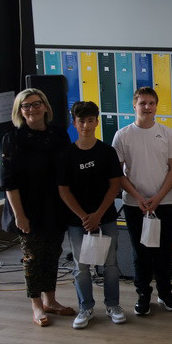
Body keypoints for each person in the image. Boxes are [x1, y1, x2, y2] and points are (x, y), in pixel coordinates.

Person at [1, 88, 73, 326]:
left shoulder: (58, 134)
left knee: (53, 253)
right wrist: (19, 215)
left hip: (55, 205)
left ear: (45, 106)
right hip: (27, 207)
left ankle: (50, 300)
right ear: (20, 111)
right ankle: (36, 305)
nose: (32, 109)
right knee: (33, 257)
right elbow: (9, 182)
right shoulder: (13, 138)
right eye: (26, 106)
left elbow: (66, 170)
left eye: (36, 103)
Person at [112, 86, 172, 317]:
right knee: (140, 253)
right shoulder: (122, 135)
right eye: (142, 103)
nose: (147, 107)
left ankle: (165, 293)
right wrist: (139, 197)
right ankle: (143, 295)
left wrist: (158, 197)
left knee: (163, 252)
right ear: (134, 106)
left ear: (156, 106)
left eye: (151, 103)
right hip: (135, 205)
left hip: (165, 202)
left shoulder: (167, 134)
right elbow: (118, 173)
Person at [58, 101, 125, 329]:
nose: (85, 126)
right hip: (78, 222)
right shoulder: (67, 154)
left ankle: (113, 305)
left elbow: (114, 185)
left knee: (111, 264)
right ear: (74, 123)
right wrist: (84, 216)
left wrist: (98, 214)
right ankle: (85, 307)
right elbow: (63, 190)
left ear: (97, 122)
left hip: (105, 218)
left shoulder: (107, 152)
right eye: (81, 121)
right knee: (82, 266)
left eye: (89, 121)